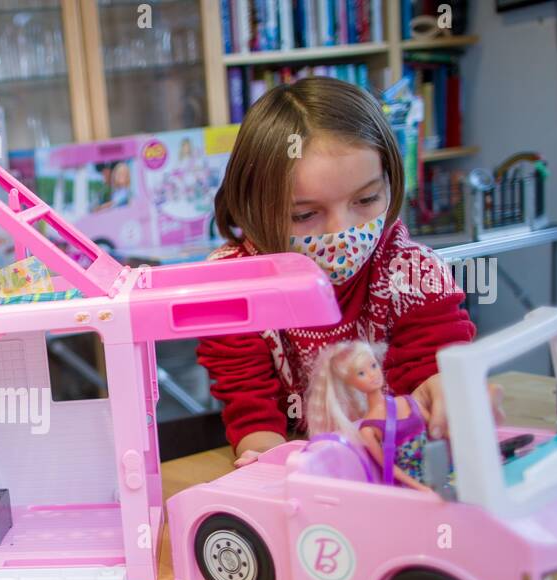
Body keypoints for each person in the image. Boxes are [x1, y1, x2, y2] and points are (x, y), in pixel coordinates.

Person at [197, 77, 477, 466]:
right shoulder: (234, 287)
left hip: (395, 462)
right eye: (304, 214)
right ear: (253, 204)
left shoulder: (411, 272)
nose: (341, 232)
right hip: (305, 469)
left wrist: (449, 388)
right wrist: (265, 461)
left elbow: (432, 367)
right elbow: (252, 411)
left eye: (366, 199)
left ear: (391, 184)